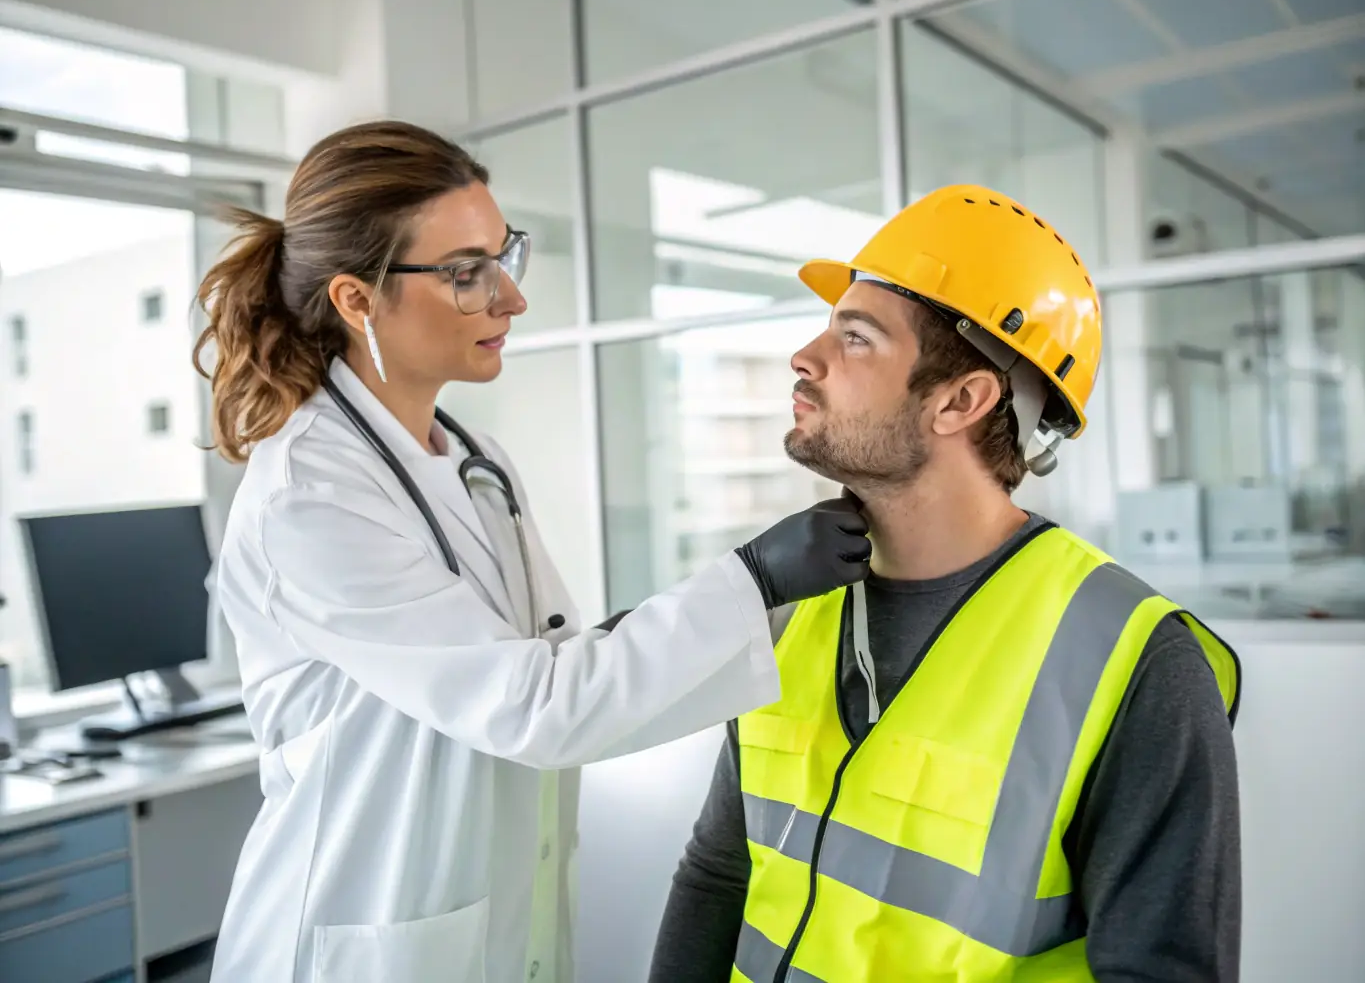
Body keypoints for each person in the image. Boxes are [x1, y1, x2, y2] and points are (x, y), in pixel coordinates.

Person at [196, 120, 872, 983]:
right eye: (465, 274)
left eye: (504, 256)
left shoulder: (473, 460)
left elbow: (540, 658)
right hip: (357, 936)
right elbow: (535, 709)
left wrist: (719, 609)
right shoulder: (310, 498)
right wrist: (754, 577)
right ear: (356, 300)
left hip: (485, 923)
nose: (509, 300)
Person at [649, 184, 1242, 983]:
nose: (804, 357)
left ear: (960, 399)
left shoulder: (1133, 660)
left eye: (855, 338)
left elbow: (1159, 970)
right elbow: (721, 874)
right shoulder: (788, 612)